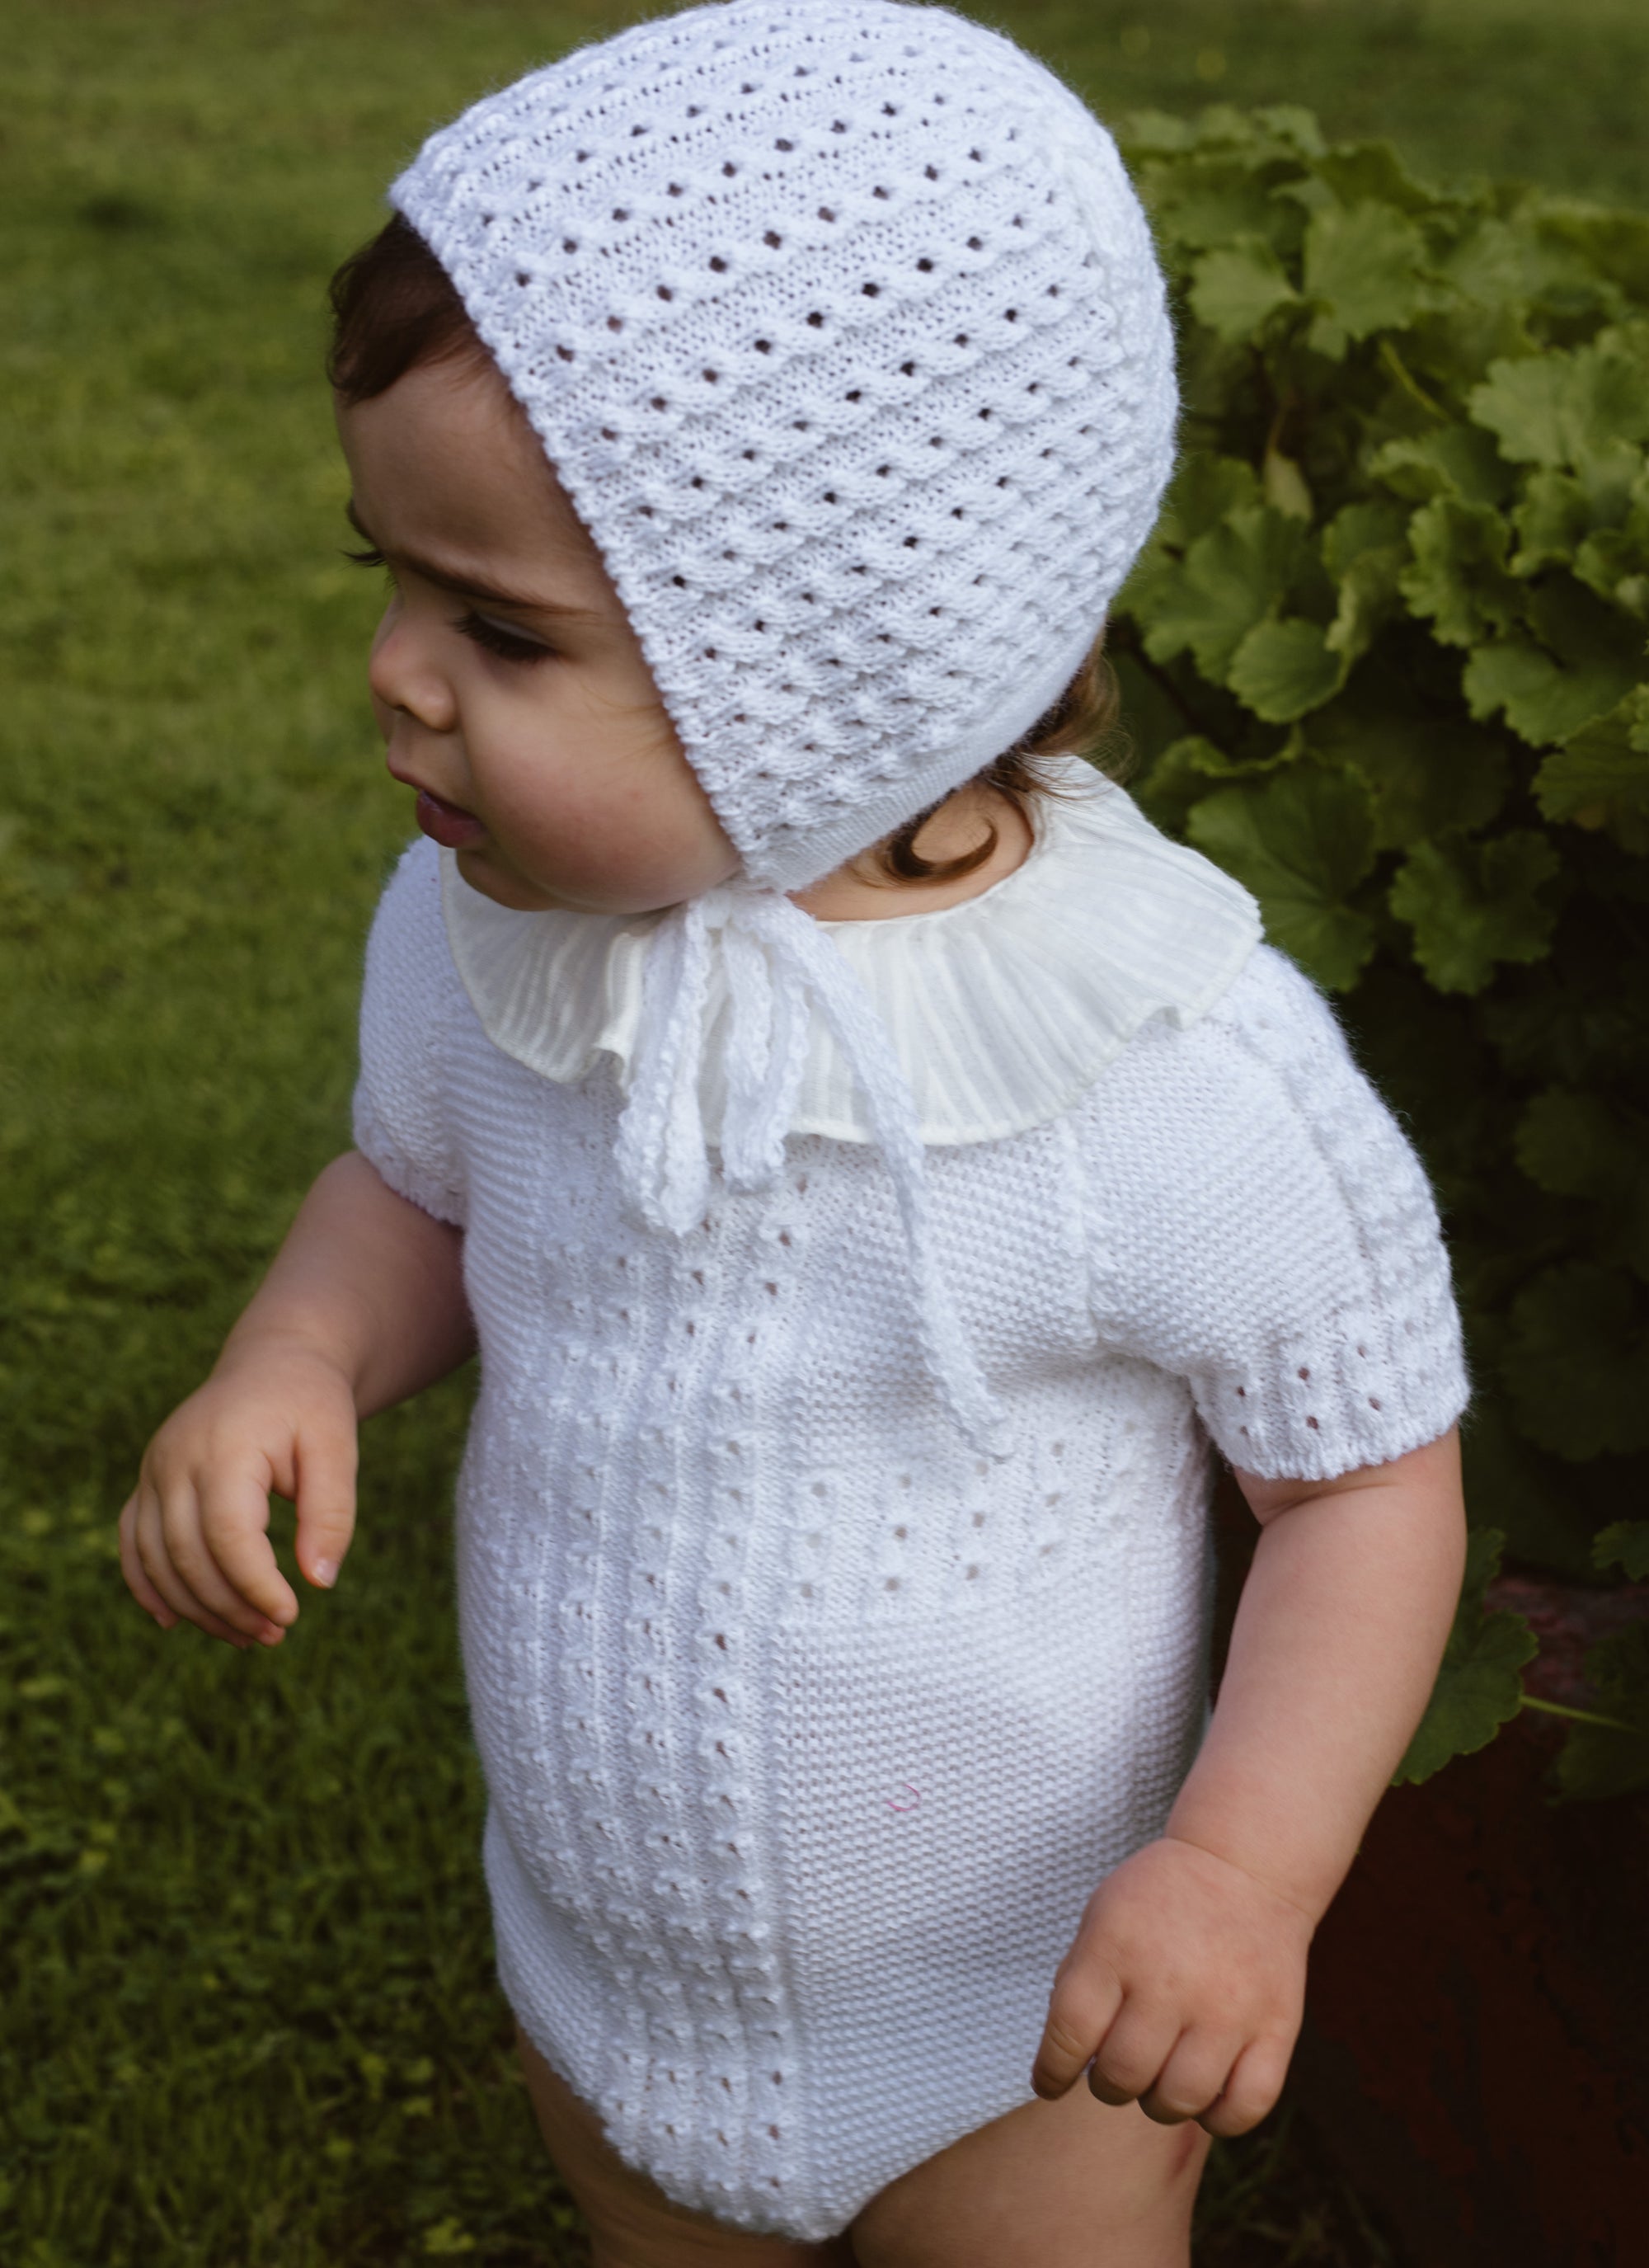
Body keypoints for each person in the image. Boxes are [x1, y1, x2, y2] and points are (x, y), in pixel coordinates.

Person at [116, 4, 1472, 2262]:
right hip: (604, 1971)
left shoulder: (1152, 1066)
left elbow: (1361, 1481)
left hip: (1022, 2029)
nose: (394, 670)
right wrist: (299, 1355)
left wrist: (1242, 1870)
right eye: (392, 575)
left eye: (500, 631)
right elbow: (418, 1193)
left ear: (844, 671)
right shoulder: (486, 939)